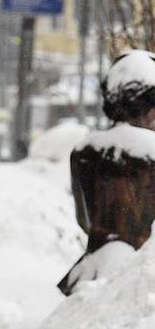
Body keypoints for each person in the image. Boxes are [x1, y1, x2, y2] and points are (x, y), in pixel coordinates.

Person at [60, 50, 155, 295]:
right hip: (142, 279)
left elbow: (84, 219)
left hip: (94, 268)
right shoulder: (151, 153)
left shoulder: (84, 152)